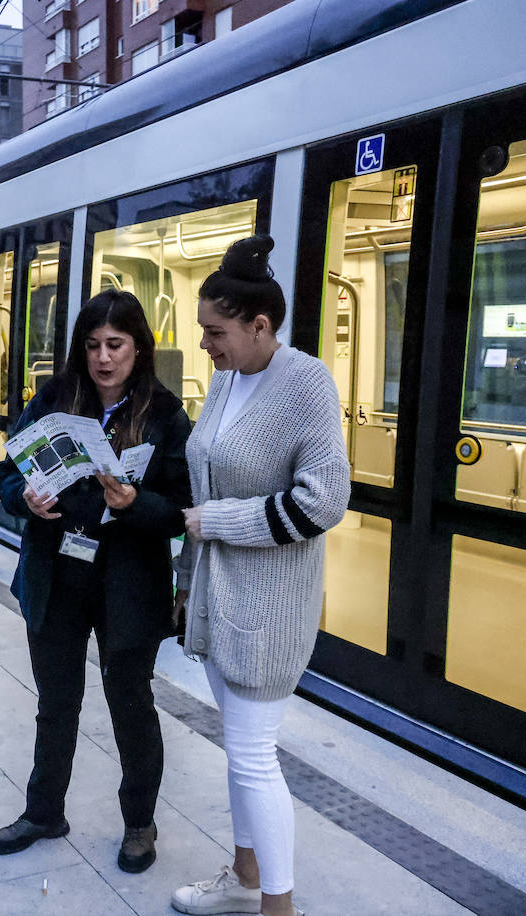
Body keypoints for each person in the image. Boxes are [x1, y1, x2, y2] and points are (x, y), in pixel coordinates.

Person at [169, 236, 349, 916]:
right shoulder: (226, 379)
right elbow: (207, 470)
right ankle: (245, 879)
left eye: (215, 333)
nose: (206, 346)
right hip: (218, 601)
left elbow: (323, 501)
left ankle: (279, 907)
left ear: (259, 325)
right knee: (238, 750)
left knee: (252, 756)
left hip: (270, 610)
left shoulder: (305, 383)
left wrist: (217, 522)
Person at [0, 289, 192, 874]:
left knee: (131, 705)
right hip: (57, 574)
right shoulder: (53, 399)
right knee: (56, 703)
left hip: (128, 583)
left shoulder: (165, 414)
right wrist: (23, 499)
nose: (103, 358)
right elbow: (7, 474)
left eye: (116, 345)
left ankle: (139, 825)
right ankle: (43, 811)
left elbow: (180, 507)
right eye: (93, 345)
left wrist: (131, 503)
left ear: (138, 348)